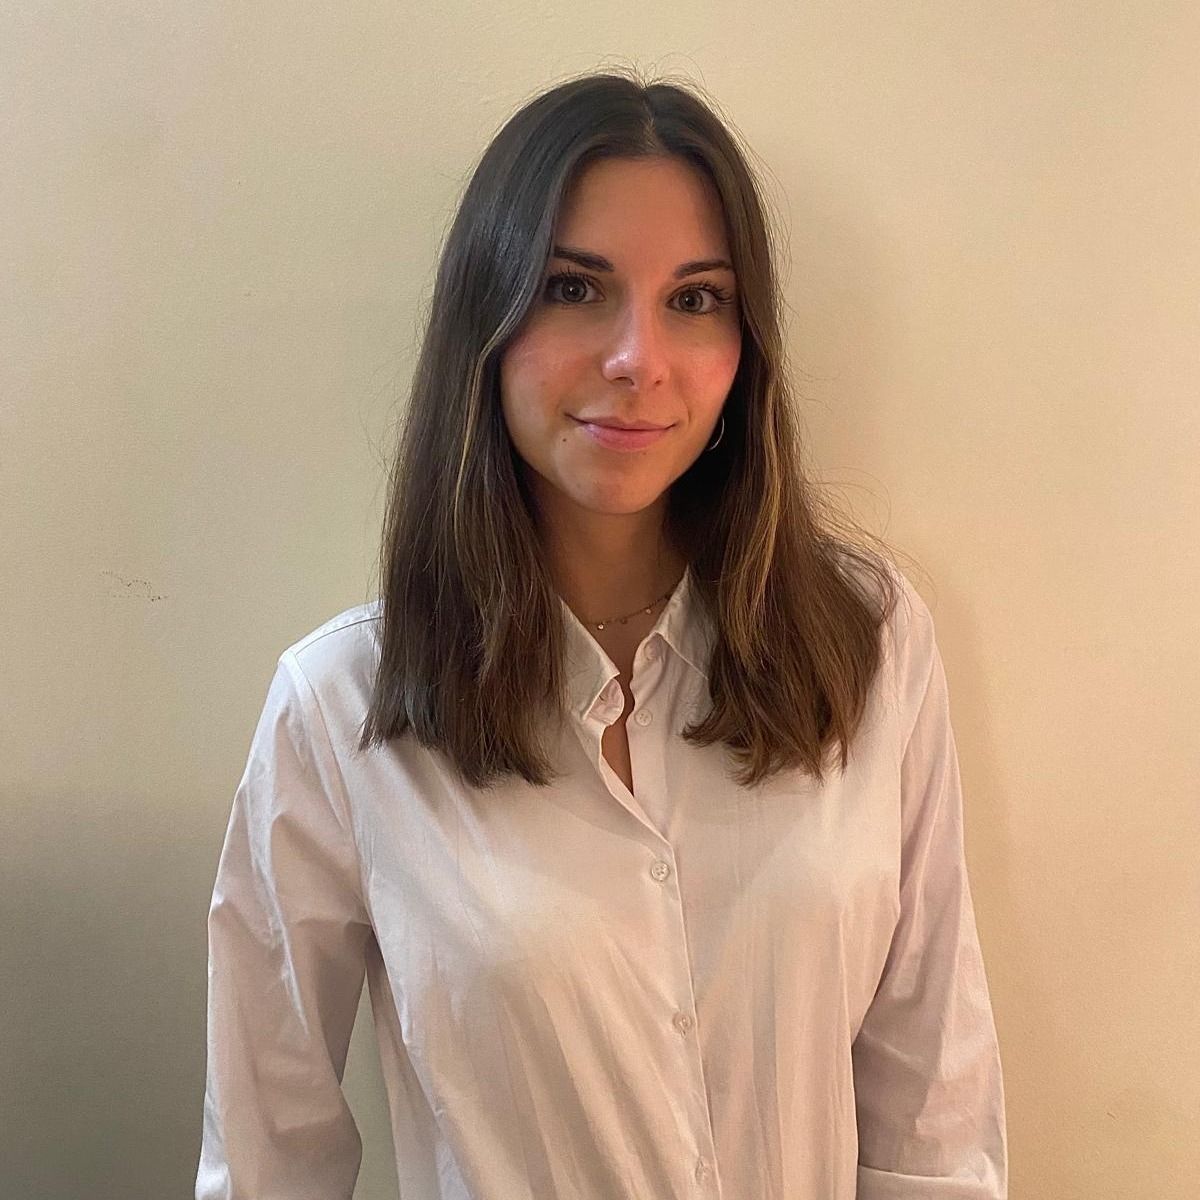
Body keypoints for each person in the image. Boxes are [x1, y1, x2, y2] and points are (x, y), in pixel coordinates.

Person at [195, 68, 1008, 1200]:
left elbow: (932, 1119)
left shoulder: (867, 643)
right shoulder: (343, 709)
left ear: (746, 346)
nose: (638, 359)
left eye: (696, 299)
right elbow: (267, 1159)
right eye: (573, 288)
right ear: (486, 320)